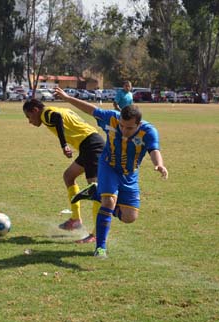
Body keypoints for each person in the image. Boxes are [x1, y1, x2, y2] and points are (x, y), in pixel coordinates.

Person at [54, 87, 168, 258]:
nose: (123, 130)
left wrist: (159, 165)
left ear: (138, 124)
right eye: (121, 125)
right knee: (108, 203)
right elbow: (90, 109)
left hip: (129, 175)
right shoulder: (112, 118)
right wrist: (68, 97)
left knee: (130, 217)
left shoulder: (149, 131)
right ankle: (100, 248)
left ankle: (95, 193)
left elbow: (154, 150)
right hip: (108, 167)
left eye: (129, 128)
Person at [23, 98, 105, 243]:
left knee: (96, 190)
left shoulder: (47, 113)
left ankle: (96, 234)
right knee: (69, 176)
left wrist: (64, 145)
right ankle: (75, 219)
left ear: (35, 110)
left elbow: (57, 119)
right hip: (88, 145)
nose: (30, 121)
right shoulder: (57, 109)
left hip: (92, 145)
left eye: (29, 117)